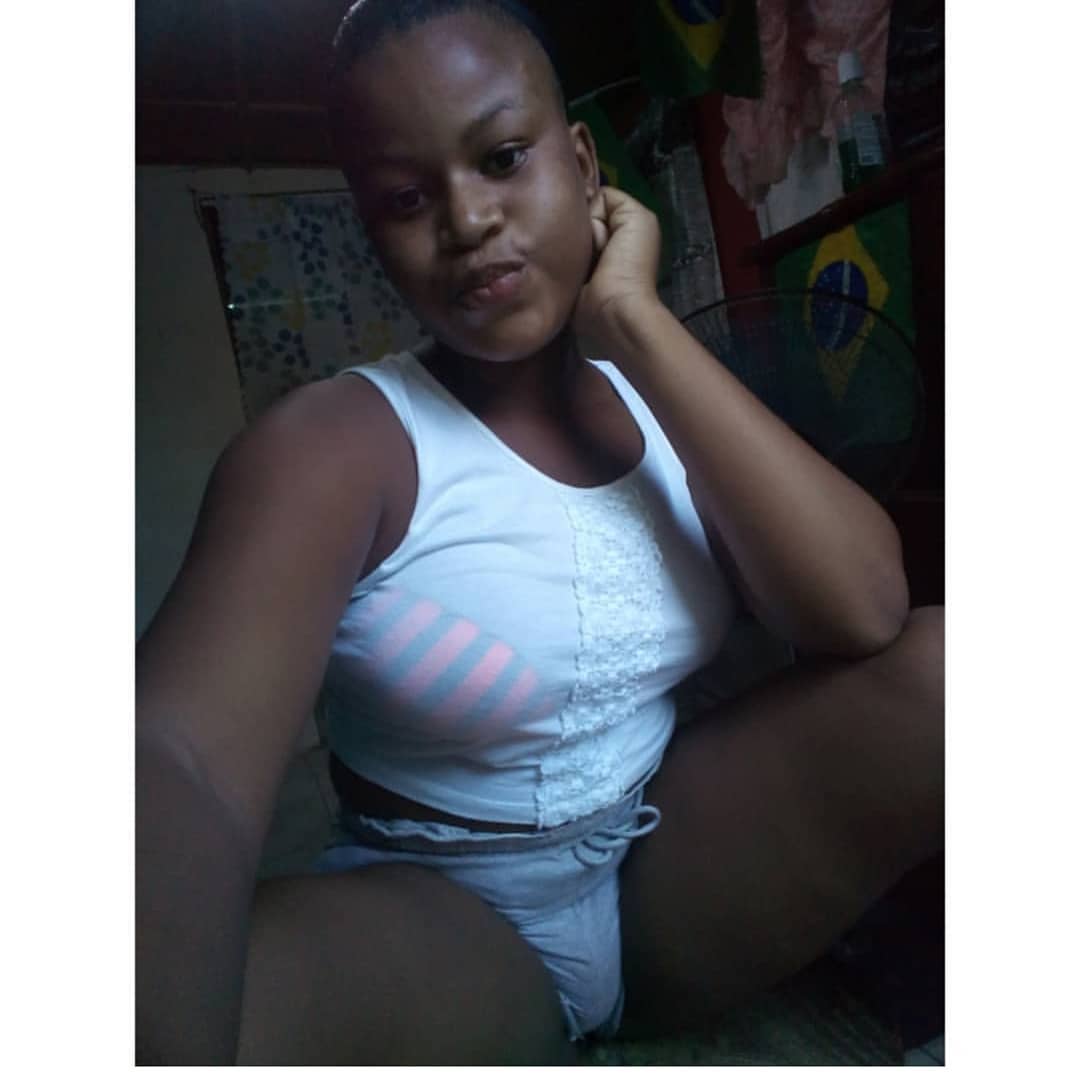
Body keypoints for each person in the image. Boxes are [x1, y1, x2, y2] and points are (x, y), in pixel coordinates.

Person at [136, 0, 943, 1065]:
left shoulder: (659, 392)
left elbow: (867, 613)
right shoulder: (335, 445)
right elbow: (177, 760)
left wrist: (635, 322)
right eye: (406, 198)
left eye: (503, 158)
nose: (468, 219)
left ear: (583, 165)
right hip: (445, 919)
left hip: (659, 867)